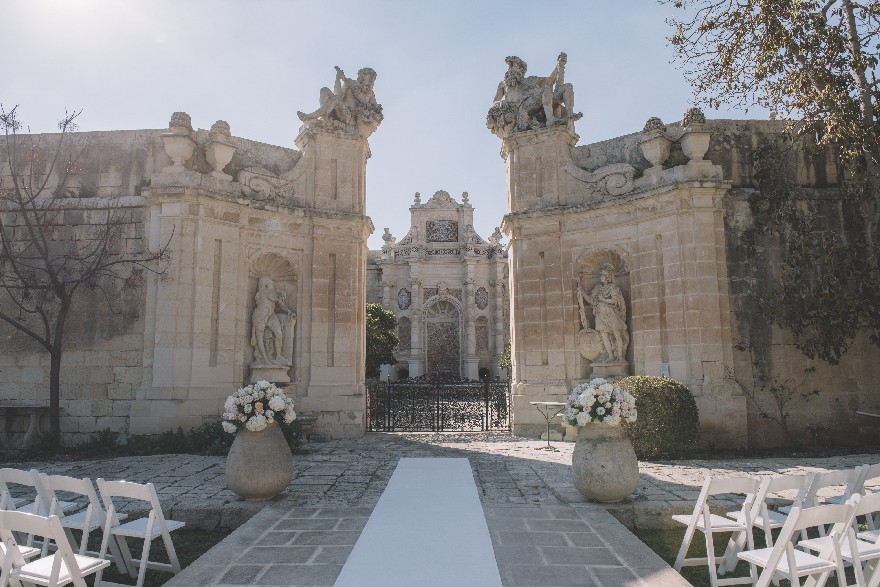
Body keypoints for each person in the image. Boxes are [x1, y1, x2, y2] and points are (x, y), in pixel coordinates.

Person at [488, 53, 580, 136]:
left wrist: (560, 65)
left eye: (516, 66)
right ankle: (550, 120)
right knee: (546, 90)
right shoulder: (503, 84)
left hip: (530, 104)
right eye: (511, 67)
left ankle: (569, 116)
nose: (512, 69)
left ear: (521, 71)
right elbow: (495, 101)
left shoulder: (529, 81)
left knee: (567, 86)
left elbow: (550, 80)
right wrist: (500, 103)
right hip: (520, 110)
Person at [297, 66, 383, 138]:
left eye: (373, 80)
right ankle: (325, 118)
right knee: (324, 90)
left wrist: (345, 80)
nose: (371, 82)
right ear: (362, 77)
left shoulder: (370, 94)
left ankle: (310, 116)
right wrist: (338, 79)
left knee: (336, 100)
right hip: (344, 112)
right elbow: (338, 95)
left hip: (352, 120)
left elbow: (372, 108)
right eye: (370, 79)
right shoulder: (350, 83)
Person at [580, 265, 628, 363]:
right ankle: (610, 356)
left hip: (611, 313)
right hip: (600, 314)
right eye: (601, 275)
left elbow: (615, 301)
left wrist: (603, 299)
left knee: (617, 335)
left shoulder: (613, 287)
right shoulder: (597, 288)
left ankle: (620, 356)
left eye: (603, 275)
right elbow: (591, 300)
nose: (601, 277)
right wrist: (582, 292)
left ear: (607, 277)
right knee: (604, 335)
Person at [251, 276, 295, 365]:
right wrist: (282, 295)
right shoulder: (267, 292)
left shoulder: (269, 292)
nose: (271, 280)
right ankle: (265, 359)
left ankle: (278, 356)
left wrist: (288, 310)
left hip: (271, 314)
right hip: (260, 315)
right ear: (266, 283)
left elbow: (280, 303)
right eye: (269, 279)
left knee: (279, 333)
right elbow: (279, 301)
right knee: (259, 339)